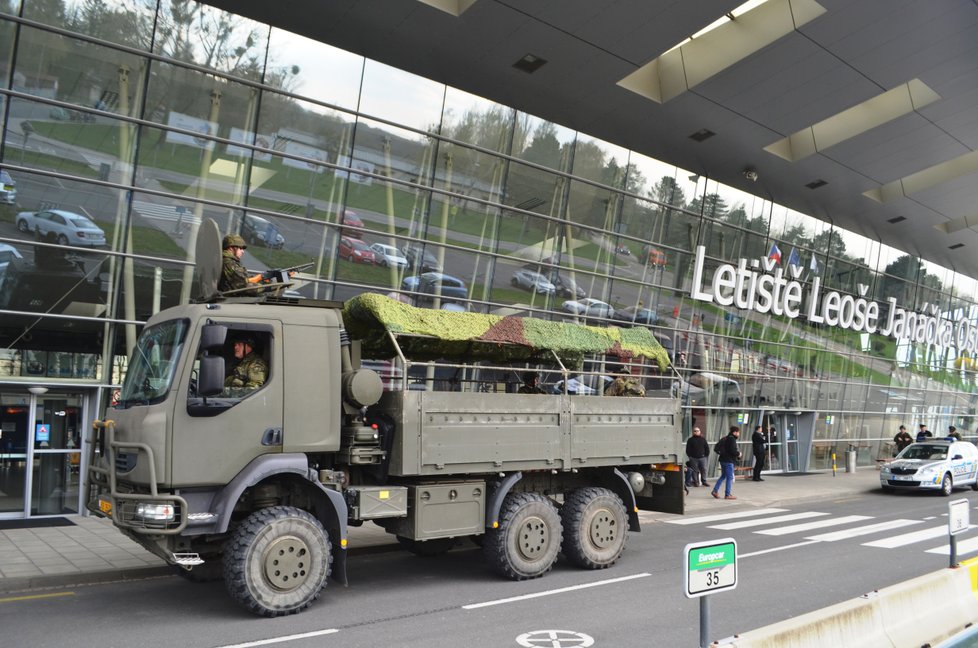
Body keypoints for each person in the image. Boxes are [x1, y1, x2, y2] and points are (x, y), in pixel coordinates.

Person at [711, 426, 741, 500]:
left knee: (723, 476)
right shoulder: (732, 439)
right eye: (738, 432)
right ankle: (727, 494)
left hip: (722, 460)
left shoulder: (725, 438)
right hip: (728, 461)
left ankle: (715, 491)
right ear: (734, 432)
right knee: (730, 477)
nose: (739, 434)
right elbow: (732, 451)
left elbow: (717, 448)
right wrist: (739, 454)